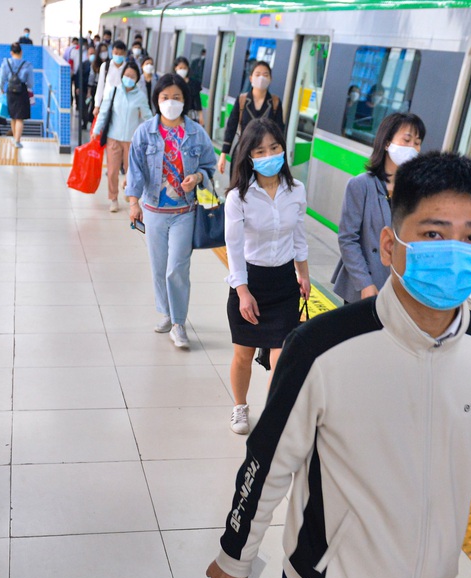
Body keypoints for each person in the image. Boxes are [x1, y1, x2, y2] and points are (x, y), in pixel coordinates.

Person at [207, 151, 471, 578]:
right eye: (432, 234)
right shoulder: (321, 347)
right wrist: (236, 554)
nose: (454, 250)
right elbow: (269, 460)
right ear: (389, 244)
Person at [224, 118, 310, 435]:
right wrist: (243, 291)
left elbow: (299, 237)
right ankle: (240, 407)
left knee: (281, 357)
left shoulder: (296, 190)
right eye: (260, 150)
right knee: (243, 355)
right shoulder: (239, 197)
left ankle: (272, 413)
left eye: (274, 147)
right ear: (249, 156)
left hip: (285, 283)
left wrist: (304, 275)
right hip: (251, 281)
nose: (269, 154)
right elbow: (233, 248)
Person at [127, 73, 218, 349]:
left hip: (184, 211)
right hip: (153, 209)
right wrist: (133, 203)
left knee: (177, 267)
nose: (170, 102)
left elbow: (209, 166)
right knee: (158, 267)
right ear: (157, 99)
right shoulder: (145, 132)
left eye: (176, 98)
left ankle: (179, 323)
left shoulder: (195, 133)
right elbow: (135, 170)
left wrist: (199, 178)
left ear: (185, 100)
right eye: (165, 97)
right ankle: (166, 313)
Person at [331, 113, 426, 304]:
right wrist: (365, 283)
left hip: (402, 289)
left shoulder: (418, 190)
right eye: (407, 140)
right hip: (365, 287)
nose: (413, 148)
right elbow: (348, 239)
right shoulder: (361, 185)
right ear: (387, 142)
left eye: (417, 142)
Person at [94, 62, 152, 213]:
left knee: (131, 171)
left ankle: (130, 190)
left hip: (132, 140)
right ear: (122, 76)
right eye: (127, 75)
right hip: (113, 137)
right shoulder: (114, 92)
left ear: (137, 79)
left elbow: (147, 116)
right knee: (112, 171)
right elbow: (104, 112)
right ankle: (113, 198)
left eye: (133, 76)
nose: (129, 78)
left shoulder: (140, 96)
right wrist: (96, 129)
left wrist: (154, 132)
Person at [219, 61, 284, 175]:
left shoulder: (275, 102)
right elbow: (231, 127)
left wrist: (279, 157)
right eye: (258, 74)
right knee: (239, 188)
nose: (261, 78)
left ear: (270, 79)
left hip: (265, 157)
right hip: (242, 153)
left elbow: (279, 131)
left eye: (265, 75)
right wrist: (223, 154)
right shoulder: (242, 100)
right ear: (251, 78)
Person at [0, 42, 34, 149]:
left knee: (13, 116)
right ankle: (17, 141)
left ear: (11, 52)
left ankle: (15, 138)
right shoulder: (27, 65)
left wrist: (1, 89)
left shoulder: (5, 63)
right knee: (20, 118)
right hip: (21, 91)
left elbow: (1, 79)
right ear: (21, 52)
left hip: (10, 91)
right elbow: (30, 83)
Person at [94, 40, 128, 118]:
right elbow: (100, 86)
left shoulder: (127, 68)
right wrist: (97, 105)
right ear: (112, 52)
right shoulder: (106, 66)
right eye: (116, 53)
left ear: (124, 54)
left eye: (120, 54)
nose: (118, 56)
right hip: (106, 102)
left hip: (122, 104)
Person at [174, 56, 203, 124]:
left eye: (184, 68)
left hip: (190, 116)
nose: (182, 70)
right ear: (175, 68)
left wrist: (200, 115)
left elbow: (197, 101)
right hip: (175, 114)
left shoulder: (193, 83)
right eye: (180, 68)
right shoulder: (172, 82)